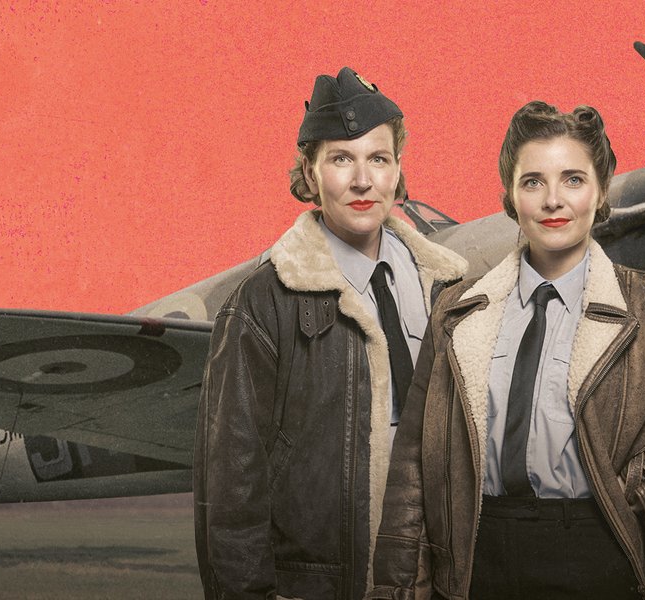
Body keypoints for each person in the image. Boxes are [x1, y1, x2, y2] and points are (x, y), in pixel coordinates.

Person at [367, 101, 645, 599]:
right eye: (532, 182)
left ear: (600, 192)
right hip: (478, 561)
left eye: (572, 179)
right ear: (510, 196)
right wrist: (397, 588)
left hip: (604, 553)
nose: (552, 201)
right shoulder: (456, 313)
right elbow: (414, 465)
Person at [193, 67, 467, 600]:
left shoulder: (449, 287)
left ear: (397, 171)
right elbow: (231, 489)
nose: (362, 181)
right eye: (341, 158)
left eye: (378, 158)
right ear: (311, 173)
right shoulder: (262, 302)